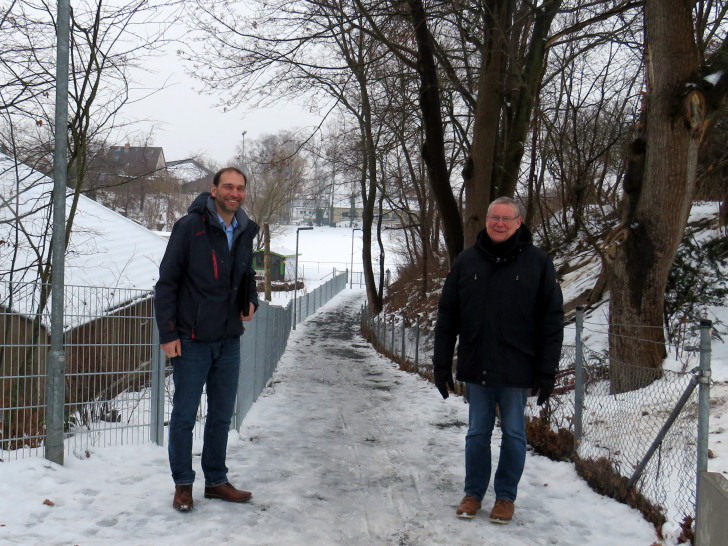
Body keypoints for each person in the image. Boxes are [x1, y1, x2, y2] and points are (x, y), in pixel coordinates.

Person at [433, 196, 564, 524]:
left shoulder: (538, 264)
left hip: (518, 367)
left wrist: (546, 372)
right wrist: (440, 364)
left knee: (514, 435)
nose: (500, 224)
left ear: (519, 222)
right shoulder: (466, 262)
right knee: (477, 433)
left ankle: (505, 497)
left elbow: (552, 321)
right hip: (477, 364)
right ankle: (473, 493)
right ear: (486, 221)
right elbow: (448, 316)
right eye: (494, 217)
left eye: (507, 218)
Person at [154, 167, 259, 512]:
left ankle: (216, 481)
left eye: (240, 188)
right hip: (193, 339)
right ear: (213, 190)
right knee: (185, 415)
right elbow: (167, 283)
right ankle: (183, 484)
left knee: (221, 415)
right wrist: (168, 334)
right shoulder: (189, 228)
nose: (235, 193)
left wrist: (252, 298)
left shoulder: (244, 229)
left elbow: (246, 273)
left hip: (229, 339)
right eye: (228, 186)